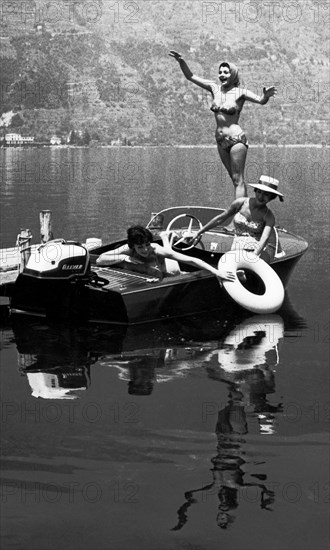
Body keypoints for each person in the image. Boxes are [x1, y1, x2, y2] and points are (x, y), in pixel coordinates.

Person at [169, 51, 277, 198]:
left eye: (226, 72)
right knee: (234, 179)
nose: (222, 75)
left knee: (239, 179)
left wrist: (266, 96)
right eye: (220, 72)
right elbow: (191, 76)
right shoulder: (214, 88)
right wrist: (181, 61)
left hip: (236, 139)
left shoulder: (241, 93)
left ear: (233, 74)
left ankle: (241, 213)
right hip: (220, 141)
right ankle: (241, 208)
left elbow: (260, 100)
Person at [192, 175, 284, 263]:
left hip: (256, 251)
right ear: (255, 191)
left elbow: (264, 239)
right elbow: (220, 219)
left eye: (266, 194)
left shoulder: (269, 216)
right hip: (236, 248)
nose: (260, 196)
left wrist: (253, 257)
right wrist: (198, 232)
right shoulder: (241, 203)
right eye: (259, 192)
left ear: (271, 197)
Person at [96, 225, 235, 282]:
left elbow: (191, 260)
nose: (145, 249)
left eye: (146, 245)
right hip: (151, 271)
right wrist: (124, 257)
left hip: (164, 268)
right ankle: (166, 236)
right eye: (140, 247)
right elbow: (100, 259)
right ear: (133, 247)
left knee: (174, 269)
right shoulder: (127, 249)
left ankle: (165, 238)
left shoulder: (155, 249)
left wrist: (216, 272)